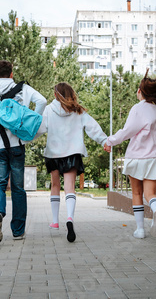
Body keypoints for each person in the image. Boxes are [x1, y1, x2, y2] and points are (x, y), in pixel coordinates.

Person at [104, 74, 156, 239]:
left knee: (136, 193)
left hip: (137, 157)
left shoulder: (138, 108)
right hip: (155, 158)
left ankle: (140, 230)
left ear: (140, 92)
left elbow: (127, 131)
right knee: (150, 193)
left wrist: (110, 141)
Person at [0, 60, 47, 243]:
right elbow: (42, 101)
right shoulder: (23, 89)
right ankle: (18, 231)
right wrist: (32, 121)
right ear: (11, 74)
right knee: (18, 189)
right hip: (17, 145)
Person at [40, 82, 107, 242]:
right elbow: (93, 128)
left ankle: (55, 222)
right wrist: (104, 140)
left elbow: (39, 128)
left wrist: (24, 138)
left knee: (55, 185)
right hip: (72, 153)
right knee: (70, 188)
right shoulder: (78, 111)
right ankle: (69, 218)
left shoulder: (48, 110)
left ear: (56, 95)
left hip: (53, 153)